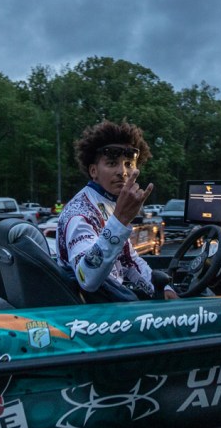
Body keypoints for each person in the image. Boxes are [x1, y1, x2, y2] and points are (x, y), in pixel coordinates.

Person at [57, 120, 177, 301]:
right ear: (93, 171)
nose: (123, 172)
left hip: (112, 299)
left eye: (128, 164)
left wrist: (163, 289)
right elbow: (86, 277)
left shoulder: (108, 204)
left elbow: (129, 259)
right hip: (92, 310)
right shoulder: (79, 213)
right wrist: (119, 221)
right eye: (112, 163)